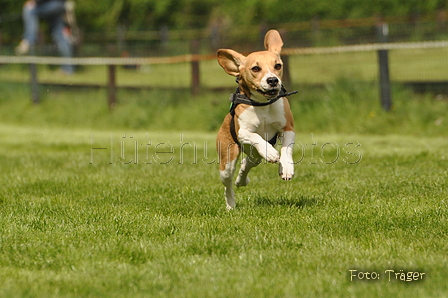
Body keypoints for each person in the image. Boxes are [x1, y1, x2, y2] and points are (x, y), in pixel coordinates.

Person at [15, 0, 74, 74]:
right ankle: (68, 69)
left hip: (52, 4)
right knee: (60, 36)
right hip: (60, 5)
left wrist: (35, 2)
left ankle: (28, 40)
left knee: (29, 10)